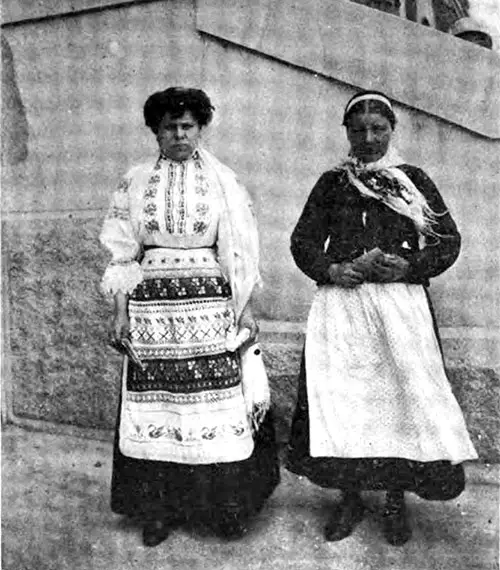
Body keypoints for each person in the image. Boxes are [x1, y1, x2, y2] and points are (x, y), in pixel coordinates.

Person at [286, 90, 478, 546]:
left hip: (399, 307)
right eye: (359, 129)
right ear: (347, 133)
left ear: (392, 130)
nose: (369, 137)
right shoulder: (333, 183)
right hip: (345, 307)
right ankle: (349, 498)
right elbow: (303, 241)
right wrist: (332, 268)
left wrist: (411, 267)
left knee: (399, 399)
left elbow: (447, 240)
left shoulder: (411, 181)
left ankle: (395, 500)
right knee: (347, 401)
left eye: (378, 128)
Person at [100, 87, 279, 547]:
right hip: (153, 310)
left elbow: (240, 251)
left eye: (187, 126)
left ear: (201, 129)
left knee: (211, 408)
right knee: (161, 407)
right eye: (169, 127)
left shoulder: (224, 181)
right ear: (155, 131)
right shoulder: (135, 180)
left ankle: (223, 508)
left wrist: (245, 308)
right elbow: (123, 250)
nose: (178, 134)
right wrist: (120, 312)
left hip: (209, 307)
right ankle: (159, 511)